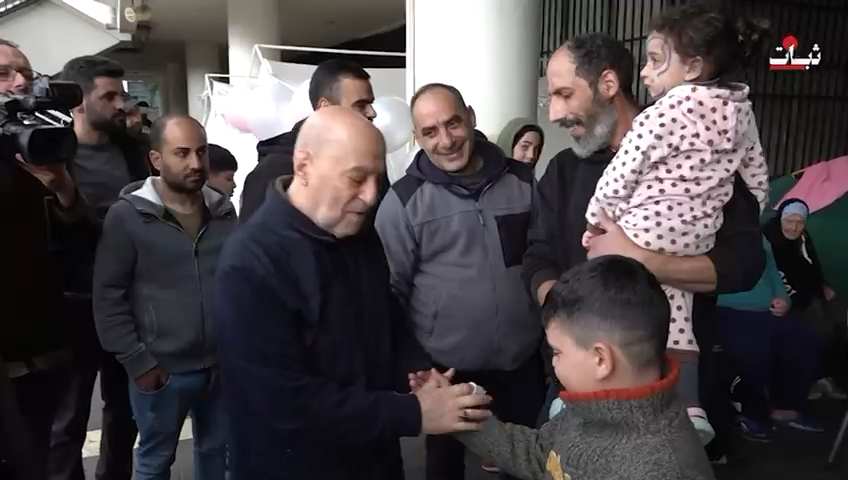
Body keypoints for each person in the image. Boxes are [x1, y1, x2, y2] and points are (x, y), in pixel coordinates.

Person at [522, 32, 765, 463]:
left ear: (608, 84)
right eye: (551, 98)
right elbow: (538, 259)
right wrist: (572, 326)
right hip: (576, 388)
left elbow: (744, 265)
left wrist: (642, 260)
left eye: (564, 94)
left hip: (676, 388)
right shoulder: (563, 171)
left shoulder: (704, 157)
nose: (555, 114)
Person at [214, 106, 493, 479]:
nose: (371, 196)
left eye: (378, 178)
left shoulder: (359, 233)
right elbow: (280, 402)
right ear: (304, 166)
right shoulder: (251, 262)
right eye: (356, 179)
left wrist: (416, 369)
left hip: (374, 456)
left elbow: (384, 314)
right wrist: (413, 413)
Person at [580, 4, 770, 442]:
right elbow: (756, 173)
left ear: (694, 68)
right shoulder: (741, 111)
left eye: (654, 60)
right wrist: (754, 205)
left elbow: (622, 172)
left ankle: (590, 397)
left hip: (644, 228)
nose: (645, 72)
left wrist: (596, 222)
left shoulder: (661, 114)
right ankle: (689, 407)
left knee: (610, 298)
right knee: (677, 315)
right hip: (697, 237)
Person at [414, 256, 715, 479]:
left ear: (601, 360)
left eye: (557, 352)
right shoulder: (592, 406)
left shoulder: (662, 468)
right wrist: (458, 410)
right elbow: (541, 454)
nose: (553, 362)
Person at [375, 83, 544, 480]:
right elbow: (389, 294)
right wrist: (416, 366)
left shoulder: (522, 181)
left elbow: (542, 257)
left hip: (522, 362)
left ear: (470, 117)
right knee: (445, 469)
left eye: (453, 124)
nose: (446, 140)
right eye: (430, 131)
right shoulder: (403, 201)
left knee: (525, 465)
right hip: (447, 370)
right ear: (417, 138)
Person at [92, 115, 234, 480]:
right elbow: (108, 297)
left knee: (217, 452)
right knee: (155, 462)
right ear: (156, 159)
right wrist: (138, 361)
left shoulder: (222, 210)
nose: (195, 163)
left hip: (221, 365)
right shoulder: (127, 217)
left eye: (201, 152)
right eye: (182, 153)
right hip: (163, 370)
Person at [52, 55, 150, 480]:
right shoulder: (51, 153)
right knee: (68, 418)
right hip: (73, 302)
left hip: (129, 299)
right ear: (78, 101)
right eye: (108, 96)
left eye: (120, 95)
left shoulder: (133, 150)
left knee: (125, 411)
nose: (120, 104)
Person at [0, 38, 93, 480]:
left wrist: (61, 187)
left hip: (44, 353)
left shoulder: (46, 144)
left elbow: (81, 240)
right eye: (3, 74)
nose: (19, 82)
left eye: (26, 72)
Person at [239, 59, 379, 222]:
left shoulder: (371, 162)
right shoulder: (272, 171)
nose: (372, 113)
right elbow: (255, 236)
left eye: (371, 104)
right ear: (325, 107)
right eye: (360, 105)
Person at [715, 235, 823, 441]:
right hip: (727, 310)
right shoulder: (709, 231)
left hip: (767, 310)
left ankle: (786, 408)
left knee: (805, 337)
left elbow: (772, 269)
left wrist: (784, 299)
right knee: (755, 350)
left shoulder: (757, 234)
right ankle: (751, 414)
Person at [764, 198, 848, 400]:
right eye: (789, 221)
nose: (794, 227)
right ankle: (809, 381)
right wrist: (793, 301)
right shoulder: (770, 241)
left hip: (808, 294)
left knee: (841, 318)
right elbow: (777, 280)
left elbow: (810, 268)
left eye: (800, 222)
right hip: (786, 301)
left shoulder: (802, 238)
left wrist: (823, 286)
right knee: (821, 329)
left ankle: (831, 377)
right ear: (780, 218)